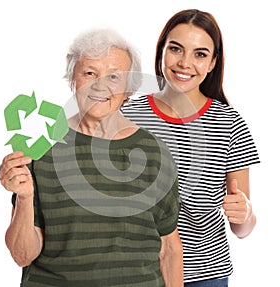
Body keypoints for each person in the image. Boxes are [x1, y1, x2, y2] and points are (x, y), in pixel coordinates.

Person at [0, 28, 184, 287]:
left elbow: (170, 250)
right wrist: (25, 198)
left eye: (114, 77)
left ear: (129, 88)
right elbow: (22, 255)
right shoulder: (41, 149)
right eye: (89, 73)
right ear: (72, 79)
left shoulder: (155, 154)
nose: (100, 85)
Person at [121, 9, 260, 287]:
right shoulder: (127, 115)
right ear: (161, 50)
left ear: (212, 63)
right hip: (137, 272)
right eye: (176, 49)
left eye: (200, 54)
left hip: (205, 275)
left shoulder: (228, 123)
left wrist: (245, 213)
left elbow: (241, 228)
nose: (185, 63)